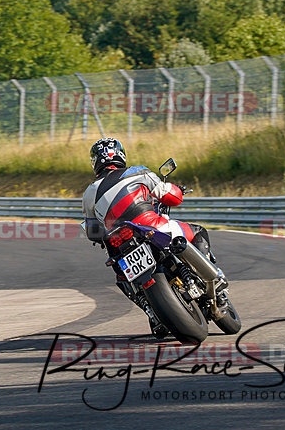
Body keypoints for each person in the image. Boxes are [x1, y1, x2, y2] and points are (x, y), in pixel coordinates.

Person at [82, 137, 218, 336]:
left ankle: (153, 314)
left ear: (95, 162)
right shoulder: (138, 171)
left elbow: (93, 232)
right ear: (120, 154)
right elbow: (171, 197)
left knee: (122, 280)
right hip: (153, 227)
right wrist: (178, 190)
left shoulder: (89, 193)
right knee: (197, 232)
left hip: (120, 246)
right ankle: (203, 276)